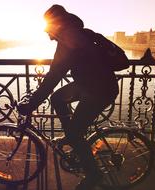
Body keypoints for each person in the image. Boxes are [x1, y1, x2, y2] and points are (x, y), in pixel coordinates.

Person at [18, 4, 126, 189]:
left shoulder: (69, 39)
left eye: (48, 31)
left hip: (99, 90)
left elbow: (54, 76)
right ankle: (71, 136)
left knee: (76, 132)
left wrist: (32, 104)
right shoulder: (78, 33)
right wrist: (37, 97)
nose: (48, 36)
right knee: (57, 98)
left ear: (56, 25)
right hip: (90, 84)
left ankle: (93, 175)